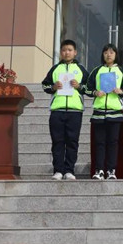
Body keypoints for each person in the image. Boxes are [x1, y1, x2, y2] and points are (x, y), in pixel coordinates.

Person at [42, 39, 88, 180]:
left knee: (72, 142)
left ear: (75, 52)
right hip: (57, 110)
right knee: (57, 141)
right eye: (64, 50)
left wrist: (79, 86)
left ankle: (69, 170)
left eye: (69, 50)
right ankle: (58, 170)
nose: (66, 53)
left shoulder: (81, 69)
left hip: (75, 111)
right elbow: (45, 85)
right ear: (60, 53)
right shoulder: (55, 69)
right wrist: (53, 87)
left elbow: (90, 87)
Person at [85, 44, 123, 180]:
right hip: (99, 112)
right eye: (106, 52)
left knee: (113, 143)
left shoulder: (121, 71)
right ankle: (99, 170)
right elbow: (86, 88)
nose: (109, 55)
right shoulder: (96, 71)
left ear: (116, 55)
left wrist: (121, 91)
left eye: (111, 52)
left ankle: (111, 170)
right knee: (100, 143)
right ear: (102, 55)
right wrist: (95, 92)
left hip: (115, 112)